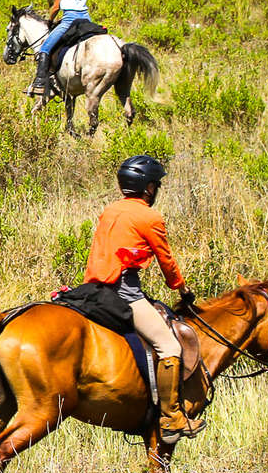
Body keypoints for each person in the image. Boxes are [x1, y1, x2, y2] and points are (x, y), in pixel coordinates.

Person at [83, 154, 204, 443]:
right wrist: (182, 289)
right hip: (124, 291)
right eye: (156, 185)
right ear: (148, 188)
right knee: (169, 345)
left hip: (93, 288)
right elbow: (167, 261)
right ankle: (172, 415)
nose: (156, 190)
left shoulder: (110, 210)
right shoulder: (149, 216)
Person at [29, 0, 90, 98]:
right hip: (86, 20)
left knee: (45, 48)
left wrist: (50, 20)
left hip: (70, 19)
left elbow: (56, 6)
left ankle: (40, 84)